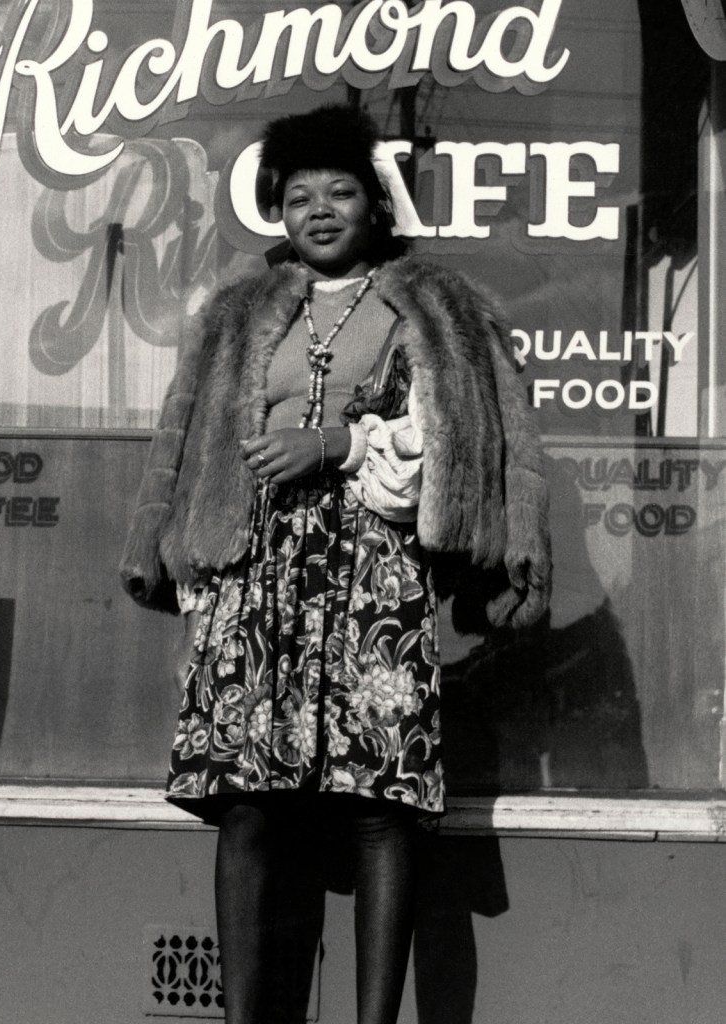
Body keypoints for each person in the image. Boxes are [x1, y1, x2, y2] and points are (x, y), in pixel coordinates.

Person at [120, 104, 551, 1024]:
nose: (318, 210)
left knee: (378, 802)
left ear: (373, 204)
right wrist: (178, 563)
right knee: (247, 801)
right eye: (298, 196)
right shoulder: (236, 310)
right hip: (255, 574)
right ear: (278, 211)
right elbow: (186, 440)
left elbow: (466, 440)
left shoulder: (430, 308)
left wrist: (336, 444)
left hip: (373, 573)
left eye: (340, 191)